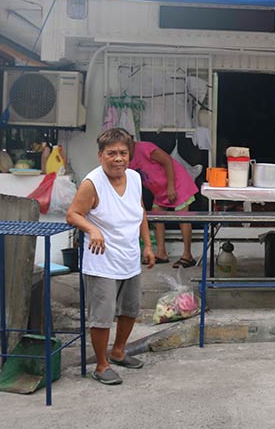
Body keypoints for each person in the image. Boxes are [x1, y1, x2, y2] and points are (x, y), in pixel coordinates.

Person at [66, 128, 155, 385]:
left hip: (129, 256)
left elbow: (140, 211)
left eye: (123, 153)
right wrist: (92, 229)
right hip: (102, 261)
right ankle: (101, 365)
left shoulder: (135, 178)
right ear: (100, 155)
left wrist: (147, 245)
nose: (118, 158)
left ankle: (118, 352)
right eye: (112, 153)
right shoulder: (91, 184)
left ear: (130, 156)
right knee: (102, 316)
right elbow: (73, 214)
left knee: (130, 309)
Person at [128, 137, 199, 268]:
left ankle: (187, 255)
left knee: (182, 218)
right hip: (159, 188)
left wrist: (171, 187)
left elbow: (167, 160)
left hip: (177, 182)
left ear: (132, 142)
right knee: (157, 217)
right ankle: (161, 253)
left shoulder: (145, 148)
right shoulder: (125, 159)